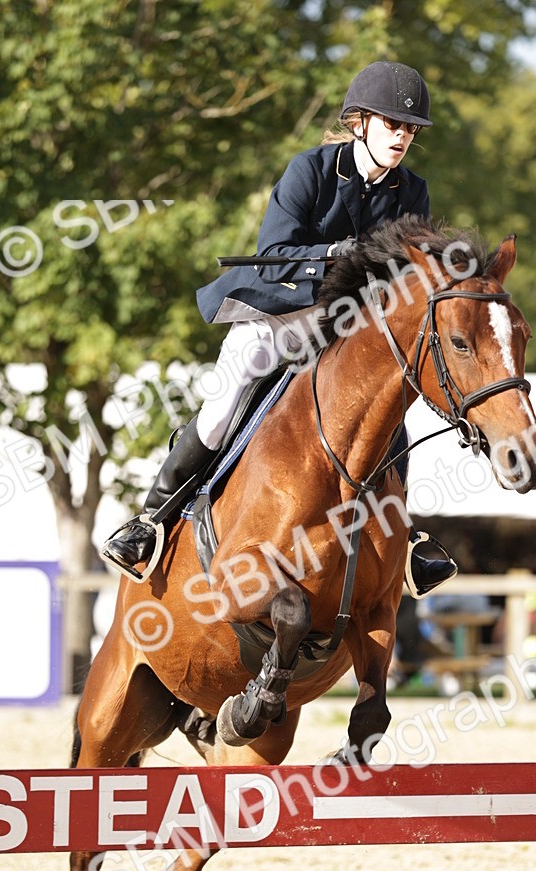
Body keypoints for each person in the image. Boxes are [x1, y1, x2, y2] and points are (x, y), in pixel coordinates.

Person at [101, 60, 457, 595]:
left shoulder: (412, 191)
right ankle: (150, 521)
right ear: (360, 122)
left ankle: (404, 540)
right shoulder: (310, 170)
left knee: (388, 404)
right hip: (280, 313)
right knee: (224, 404)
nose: (402, 137)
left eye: (410, 129)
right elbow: (273, 254)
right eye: (392, 124)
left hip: (346, 327)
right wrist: (333, 254)